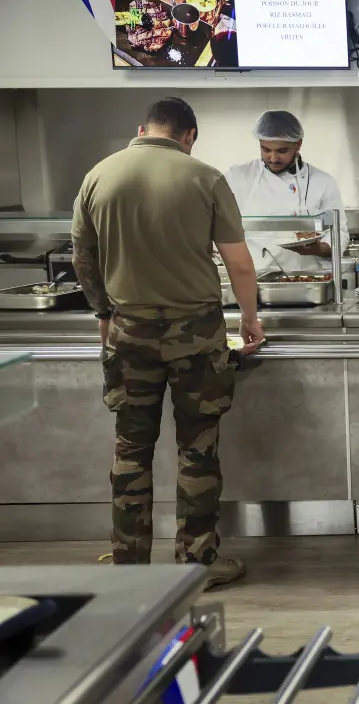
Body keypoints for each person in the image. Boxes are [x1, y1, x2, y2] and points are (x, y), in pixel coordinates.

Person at [72, 97, 265, 590]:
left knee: (131, 447)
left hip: (128, 331)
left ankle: (129, 566)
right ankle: (197, 563)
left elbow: (83, 259)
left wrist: (103, 313)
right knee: (197, 448)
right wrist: (248, 319)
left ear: (143, 129)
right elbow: (240, 263)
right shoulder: (205, 177)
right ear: (189, 136)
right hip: (196, 336)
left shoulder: (98, 176)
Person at [223, 111, 348, 275]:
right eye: (265, 149)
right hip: (254, 279)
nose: (273, 158)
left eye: (282, 151)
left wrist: (318, 248)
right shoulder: (237, 177)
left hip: (305, 278)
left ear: (298, 145)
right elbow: (219, 223)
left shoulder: (323, 183)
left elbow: (339, 232)